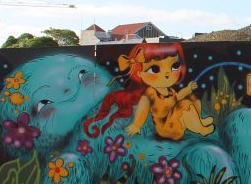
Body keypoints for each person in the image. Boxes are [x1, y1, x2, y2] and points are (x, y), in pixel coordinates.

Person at [83, 43, 213, 140]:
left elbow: (177, 98)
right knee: (185, 104)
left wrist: (187, 90)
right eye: (155, 69)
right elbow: (143, 108)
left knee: (191, 98)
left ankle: (199, 121)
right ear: (140, 73)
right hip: (167, 129)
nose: (167, 73)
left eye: (174, 66)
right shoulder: (151, 93)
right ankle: (201, 129)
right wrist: (136, 125)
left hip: (176, 121)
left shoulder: (169, 90)